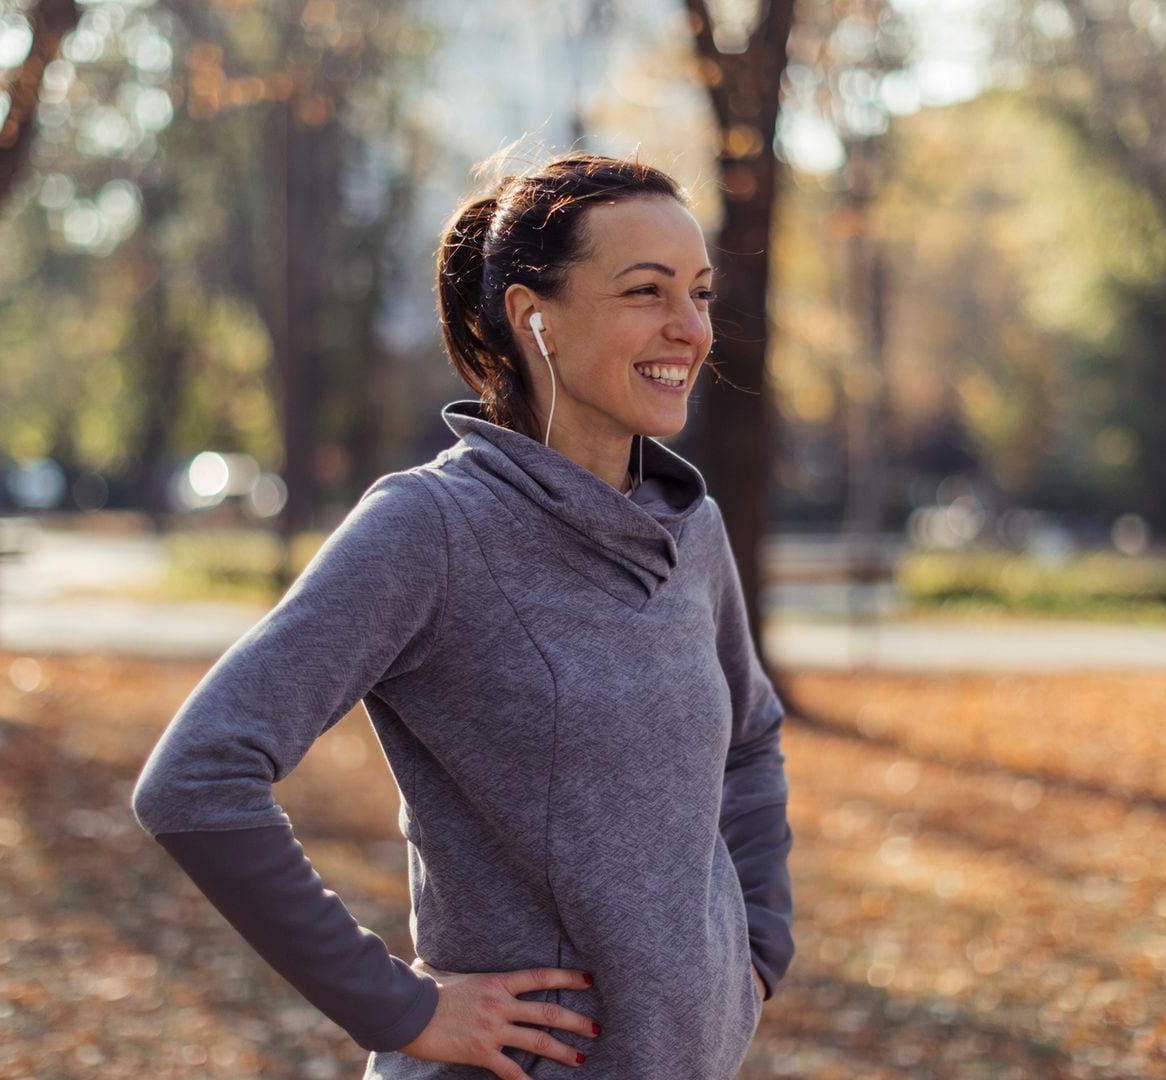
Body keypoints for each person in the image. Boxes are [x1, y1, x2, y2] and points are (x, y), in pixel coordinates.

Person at [130, 151, 795, 1079]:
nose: (688, 328)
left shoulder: (692, 529)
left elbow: (751, 740)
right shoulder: (431, 528)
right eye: (646, 292)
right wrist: (399, 1009)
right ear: (536, 319)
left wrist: (754, 951)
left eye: (700, 293)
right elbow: (196, 779)